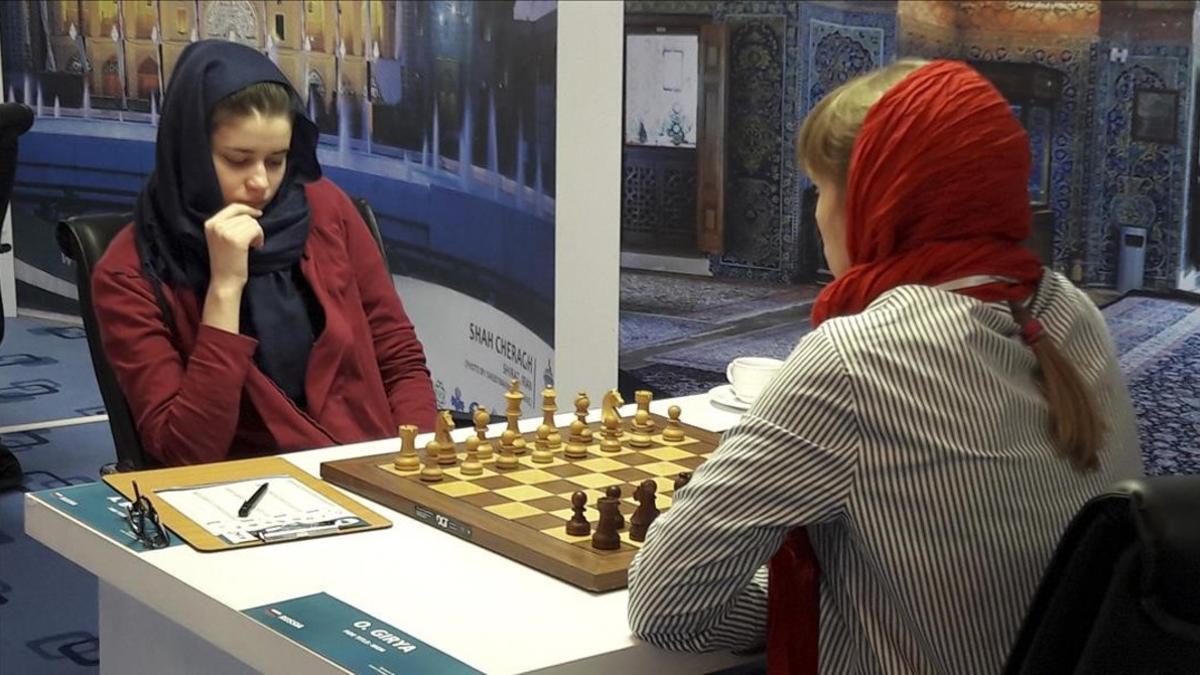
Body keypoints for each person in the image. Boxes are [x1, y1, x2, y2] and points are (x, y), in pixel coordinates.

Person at [626, 59, 1143, 673]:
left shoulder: (855, 359)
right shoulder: (1069, 311)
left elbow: (667, 605)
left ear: (878, 200)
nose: (817, 216)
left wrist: (811, 602)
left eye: (821, 189)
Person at [93, 40, 436, 466]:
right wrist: (224, 288)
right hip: (247, 499)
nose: (261, 183)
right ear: (192, 152)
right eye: (238, 160)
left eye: (276, 160)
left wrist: (417, 456)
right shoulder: (129, 274)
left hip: (369, 469)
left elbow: (397, 356)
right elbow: (184, 454)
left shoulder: (324, 209)